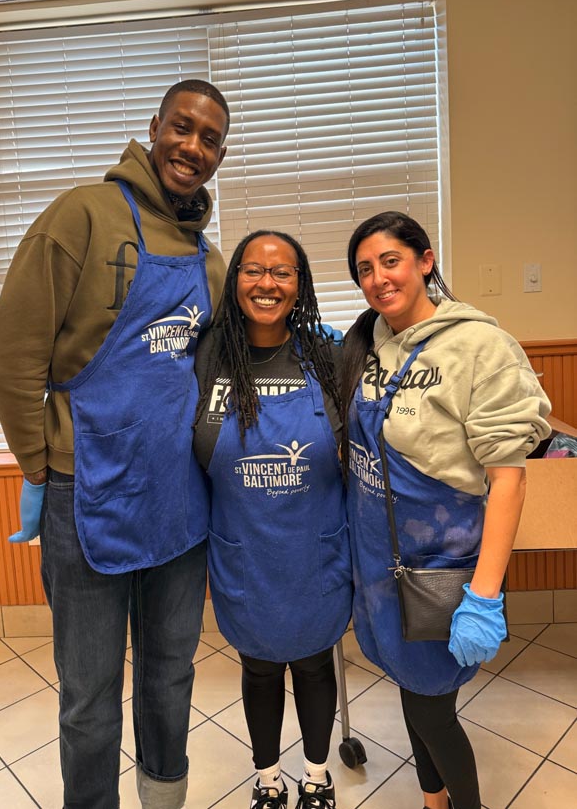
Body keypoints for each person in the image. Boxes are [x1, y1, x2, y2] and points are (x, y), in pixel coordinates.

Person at [0, 80, 229, 809]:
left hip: (180, 505)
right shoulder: (81, 216)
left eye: (209, 138)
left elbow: (210, 376)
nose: (192, 147)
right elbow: (8, 355)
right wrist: (39, 464)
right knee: (89, 698)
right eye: (181, 128)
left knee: (170, 674)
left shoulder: (207, 260)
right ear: (153, 128)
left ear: (220, 154)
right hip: (87, 493)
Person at [341, 211, 551, 809]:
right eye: (364, 269)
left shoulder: (480, 346)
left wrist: (483, 598)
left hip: (439, 564)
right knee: (411, 689)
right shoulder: (369, 341)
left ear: (425, 261)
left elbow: (508, 481)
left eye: (390, 261)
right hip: (381, 564)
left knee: (431, 707)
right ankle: (433, 803)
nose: (378, 279)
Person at [194, 231, 352, 809]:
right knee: (259, 668)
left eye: (282, 272)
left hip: (313, 549)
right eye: (254, 270)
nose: (267, 284)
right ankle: (268, 778)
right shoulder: (207, 356)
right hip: (245, 551)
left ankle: (316, 774)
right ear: (235, 278)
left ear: (300, 284)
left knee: (313, 664)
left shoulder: (327, 355)